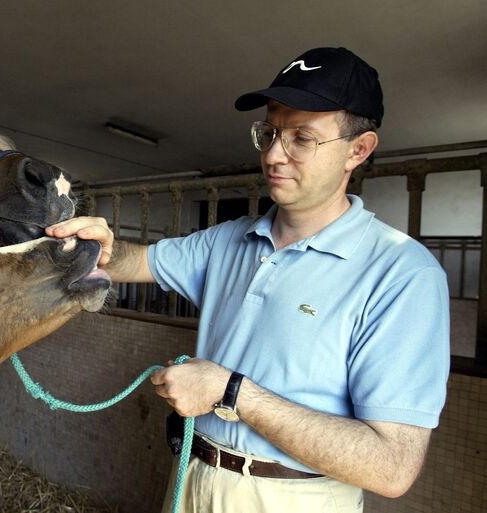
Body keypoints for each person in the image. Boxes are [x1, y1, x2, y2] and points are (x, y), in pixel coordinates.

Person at [46, 47, 450, 513]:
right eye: (271, 132)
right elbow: (140, 262)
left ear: (357, 150)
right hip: (194, 476)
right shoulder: (229, 241)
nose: (274, 155)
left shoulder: (402, 273)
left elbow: (392, 467)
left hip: (295, 497)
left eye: (302, 138)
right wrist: (103, 247)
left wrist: (231, 391)